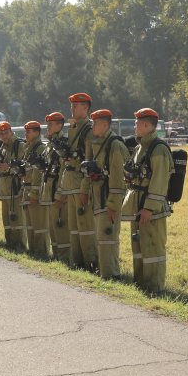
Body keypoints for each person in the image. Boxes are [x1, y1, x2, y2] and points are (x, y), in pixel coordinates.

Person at [121, 107, 173, 292]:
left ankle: (154, 287)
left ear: (145, 124)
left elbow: (159, 182)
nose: (134, 125)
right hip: (138, 206)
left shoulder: (158, 149)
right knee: (139, 246)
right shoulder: (139, 147)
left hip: (151, 210)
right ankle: (141, 283)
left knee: (152, 249)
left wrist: (149, 208)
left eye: (137, 122)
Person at [80, 109, 129, 279]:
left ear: (105, 124)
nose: (92, 126)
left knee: (108, 238)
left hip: (108, 200)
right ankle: (104, 271)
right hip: (97, 199)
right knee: (101, 238)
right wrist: (84, 191)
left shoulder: (114, 146)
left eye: (95, 123)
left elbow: (117, 179)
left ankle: (111, 275)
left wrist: (113, 205)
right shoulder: (98, 143)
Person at [61, 92, 97, 271]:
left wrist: (84, 189)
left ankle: (91, 262)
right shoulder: (73, 128)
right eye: (72, 105)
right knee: (74, 227)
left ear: (86, 108)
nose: (73, 108)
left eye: (77, 105)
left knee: (86, 226)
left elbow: (89, 162)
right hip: (71, 183)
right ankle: (78, 261)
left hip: (81, 184)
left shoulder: (89, 131)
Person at [40, 112, 70, 261]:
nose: (48, 127)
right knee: (53, 228)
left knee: (61, 227)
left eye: (51, 124)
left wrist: (60, 194)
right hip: (49, 190)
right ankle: (57, 256)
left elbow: (64, 170)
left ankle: (65, 259)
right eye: (48, 124)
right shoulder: (51, 143)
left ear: (60, 125)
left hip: (58, 191)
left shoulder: (64, 142)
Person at [0, 121, 27, 250]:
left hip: (15, 187)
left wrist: (8, 167)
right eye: (1, 134)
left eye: (6, 132)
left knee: (17, 219)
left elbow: (23, 165)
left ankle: (20, 245)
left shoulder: (19, 145)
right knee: (7, 220)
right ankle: (10, 243)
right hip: (4, 188)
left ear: (11, 132)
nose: (4, 135)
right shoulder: (2, 147)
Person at [22, 120, 49, 258]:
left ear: (37, 133)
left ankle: (41, 252)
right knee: (30, 224)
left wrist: (35, 194)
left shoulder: (39, 148)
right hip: (26, 189)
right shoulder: (29, 147)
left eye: (29, 131)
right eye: (26, 130)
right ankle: (33, 250)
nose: (26, 133)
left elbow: (38, 173)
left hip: (34, 192)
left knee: (39, 225)